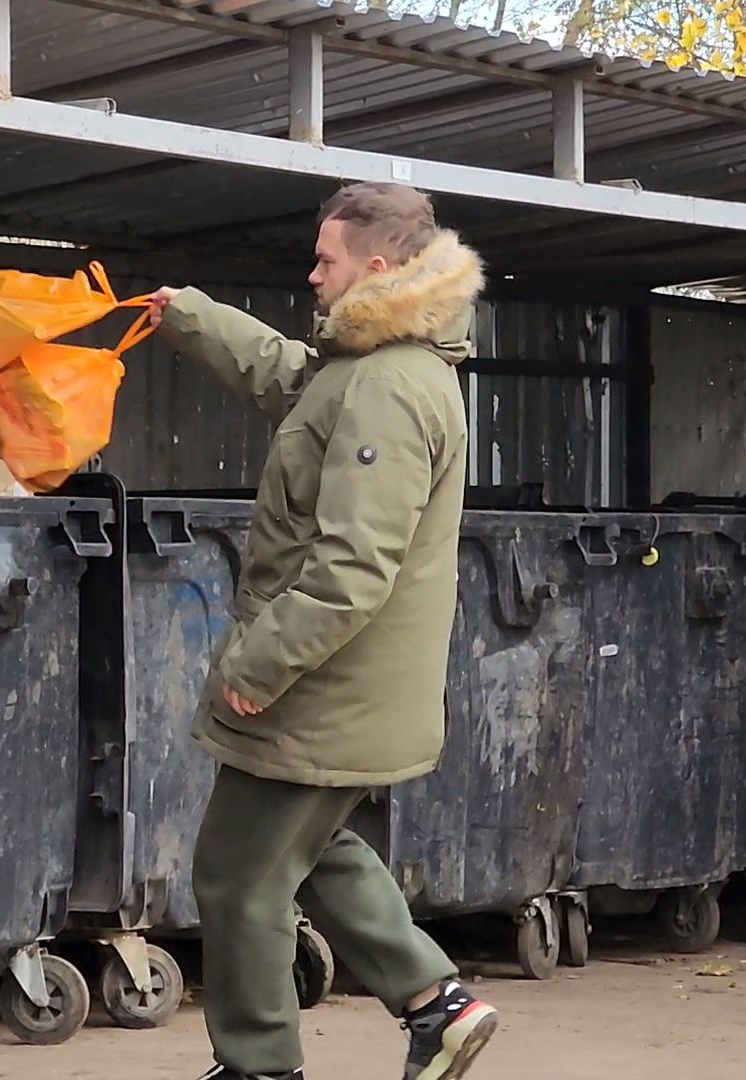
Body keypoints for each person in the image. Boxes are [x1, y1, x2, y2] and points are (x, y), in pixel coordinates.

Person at [144, 182, 495, 1080]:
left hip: (325, 684)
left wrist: (257, 665)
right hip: (352, 686)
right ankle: (436, 1005)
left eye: (325, 259)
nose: (312, 272)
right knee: (310, 844)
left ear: (374, 268)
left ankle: (260, 1066)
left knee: (237, 871)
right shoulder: (371, 364)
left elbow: (351, 571)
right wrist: (189, 315)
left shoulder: (389, 387)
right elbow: (292, 379)